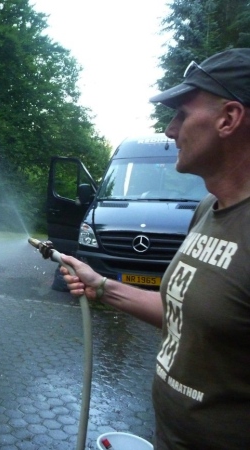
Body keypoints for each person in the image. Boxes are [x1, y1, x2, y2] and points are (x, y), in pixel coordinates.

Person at [58, 48, 250, 449]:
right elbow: (184, 313)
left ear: (229, 118)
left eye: (181, 114)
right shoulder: (207, 210)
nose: (169, 130)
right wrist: (102, 286)